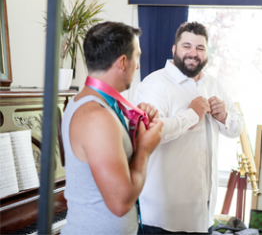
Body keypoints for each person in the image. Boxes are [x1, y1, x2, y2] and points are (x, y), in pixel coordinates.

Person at [133, 21, 244, 234]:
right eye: (187, 46)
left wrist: (224, 116)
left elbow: (237, 127)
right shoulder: (154, 84)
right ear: (174, 49)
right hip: (163, 219)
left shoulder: (214, 84)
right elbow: (150, 133)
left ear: (207, 54)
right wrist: (191, 114)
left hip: (204, 214)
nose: (193, 53)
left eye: (200, 48)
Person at [62, 21, 163, 235]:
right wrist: (145, 149)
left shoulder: (94, 104)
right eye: (137, 56)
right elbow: (120, 203)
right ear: (123, 62)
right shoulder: (97, 117)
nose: (138, 65)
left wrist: (139, 125)